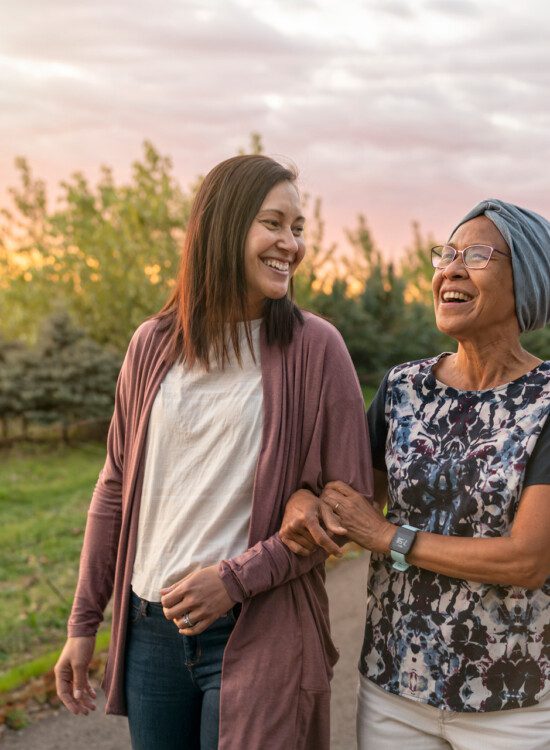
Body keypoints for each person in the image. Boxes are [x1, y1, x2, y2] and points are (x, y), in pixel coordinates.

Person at [54, 154, 373, 750]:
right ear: (223, 227)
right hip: (151, 629)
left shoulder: (316, 348)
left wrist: (235, 579)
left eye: (298, 228)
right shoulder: (153, 345)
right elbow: (114, 487)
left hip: (258, 625)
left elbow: (345, 507)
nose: (291, 244)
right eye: (273, 223)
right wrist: (83, 624)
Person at [280, 199, 550, 750]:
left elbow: (528, 560)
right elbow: (349, 501)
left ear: (526, 281)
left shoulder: (546, 400)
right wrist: (304, 502)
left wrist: (388, 537)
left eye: (476, 254)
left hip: (516, 705)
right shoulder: (403, 388)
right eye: (446, 253)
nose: (450, 268)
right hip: (393, 691)